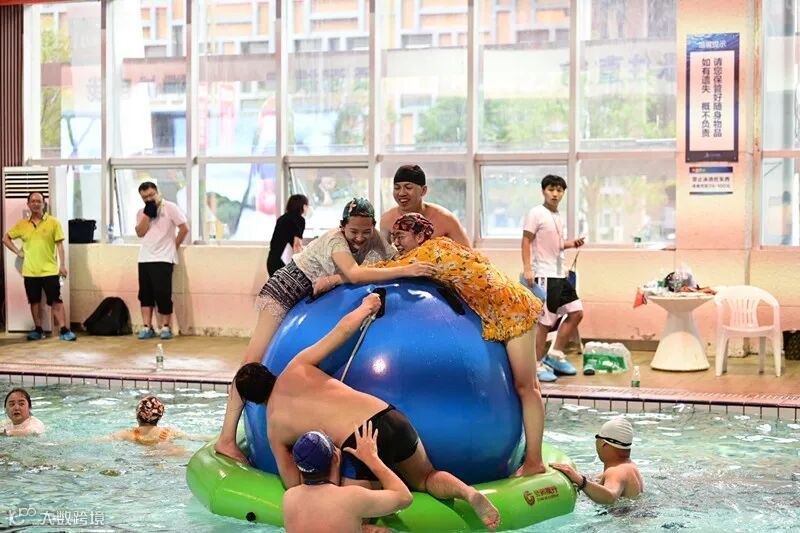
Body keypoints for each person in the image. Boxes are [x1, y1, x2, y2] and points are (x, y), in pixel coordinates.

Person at [234, 294, 500, 530]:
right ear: (269, 371)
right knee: (427, 477)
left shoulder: (275, 427)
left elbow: (296, 484)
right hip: (388, 415)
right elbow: (340, 332)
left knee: (356, 520)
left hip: (359, 441)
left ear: (251, 402)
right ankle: (467, 493)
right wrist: (366, 307)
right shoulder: (296, 367)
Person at [214, 198, 437, 464]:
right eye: (353, 231)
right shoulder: (335, 240)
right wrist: (407, 270)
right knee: (252, 361)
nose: (360, 238)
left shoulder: (374, 238)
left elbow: (387, 262)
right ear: (342, 226)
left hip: (309, 298)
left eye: (366, 231)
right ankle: (226, 438)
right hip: (285, 290)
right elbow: (355, 274)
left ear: (373, 226)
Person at [366, 213, 546, 477]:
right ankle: (532, 455)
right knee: (529, 387)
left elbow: (378, 271)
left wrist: (335, 278)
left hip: (513, 310)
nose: (396, 243)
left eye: (401, 237)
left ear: (420, 236)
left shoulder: (426, 254)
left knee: (526, 387)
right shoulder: (441, 245)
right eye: (393, 237)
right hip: (506, 308)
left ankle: (534, 461)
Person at [282, 423, 413, 533]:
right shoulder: (351, 498)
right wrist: (372, 458)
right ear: (335, 457)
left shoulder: (289, 498)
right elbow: (404, 498)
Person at [521, 174, 585, 380]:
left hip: (559, 274)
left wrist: (571, 244)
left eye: (559, 190)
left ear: (563, 193)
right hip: (544, 275)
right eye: (551, 189)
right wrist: (528, 269)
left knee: (576, 312)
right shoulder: (536, 213)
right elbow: (526, 241)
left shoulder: (556, 215)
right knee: (545, 323)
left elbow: (555, 244)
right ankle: (536, 365)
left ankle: (555, 355)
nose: (555, 194)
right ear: (543, 191)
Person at [2, 192, 76, 341]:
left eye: (39, 201)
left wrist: (62, 265)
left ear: (44, 204)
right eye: (33, 201)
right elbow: (6, 238)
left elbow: (60, 246)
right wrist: (18, 252)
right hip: (30, 272)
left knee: (56, 300)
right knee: (34, 301)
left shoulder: (53, 222)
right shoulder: (22, 224)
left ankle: (64, 330)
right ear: (28, 204)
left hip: (50, 270)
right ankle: (38, 330)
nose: (36, 204)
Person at [135, 181, 189, 340]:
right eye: (144, 197)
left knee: (163, 293)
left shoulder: (170, 208)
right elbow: (140, 232)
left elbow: (184, 228)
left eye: (151, 195)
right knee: (145, 294)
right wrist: (147, 214)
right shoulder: (141, 212)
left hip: (164, 257)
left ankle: (165, 327)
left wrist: (174, 246)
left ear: (157, 192)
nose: (148, 199)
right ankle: (147, 327)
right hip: (145, 257)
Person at [550, 418, 643, 505]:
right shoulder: (629, 466)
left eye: (597, 437)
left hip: (621, 517)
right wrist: (575, 475)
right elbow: (598, 479)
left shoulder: (615, 471)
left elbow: (610, 497)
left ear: (604, 444)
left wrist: (581, 482)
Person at [379, 165, 471, 248]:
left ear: (423, 190)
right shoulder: (387, 219)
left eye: (408, 187)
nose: (401, 193)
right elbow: (380, 256)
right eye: (397, 188)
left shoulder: (446, 219)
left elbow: (470, 255)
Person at [101, 395, 209, 447]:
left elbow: (103, 439)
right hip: (164, 452)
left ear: (138, 415)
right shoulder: (169, 432)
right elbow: (196, 437)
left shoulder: (128, 434)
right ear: (159, 416)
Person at [267, 194, 308, 276]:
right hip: (282, 262)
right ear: (303, 206)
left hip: (271, 261)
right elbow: (297, 245)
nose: (307, 208)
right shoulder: (299, 220)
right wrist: (303, 266)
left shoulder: (282, 218)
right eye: (307, 205)